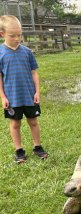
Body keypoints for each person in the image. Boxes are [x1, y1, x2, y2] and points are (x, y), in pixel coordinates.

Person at [0, 15, 48, 163]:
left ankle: (37, 146)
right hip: (12, 97)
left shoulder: (27, 52)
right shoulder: (0, 53)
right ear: (2, 34)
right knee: (15, 124)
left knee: (33, 121)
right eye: (12, 35)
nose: (17, 38)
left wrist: (37, 92)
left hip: (29, 95)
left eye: (19, 35)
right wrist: (3, 97)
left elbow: (34, 72)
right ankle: (19, 150)